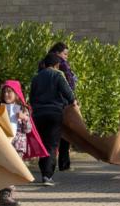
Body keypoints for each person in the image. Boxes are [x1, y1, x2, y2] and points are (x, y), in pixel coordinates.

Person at [0, 80, 46, 206]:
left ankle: (6, 196)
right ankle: (5, 197)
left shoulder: (23, 109)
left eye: (9, 91)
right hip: (3, 145)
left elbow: (28, 129)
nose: (6, 94)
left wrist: (24, 119)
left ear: (16, 94)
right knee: (5, 170)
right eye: (4, 91)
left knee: (12, 171)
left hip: (18, 147)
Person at [29, 51, 75, 187]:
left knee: (42, 143)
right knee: (52, 145)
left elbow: (31, 97)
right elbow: (69, 94)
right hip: (54, 113)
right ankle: (47, 175)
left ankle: (44, 171)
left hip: (38, 114)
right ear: (56, 64)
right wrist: (73, 103)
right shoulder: (57, 75)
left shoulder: (36, 78)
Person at [40, 42, 76, 171]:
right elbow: (67, 86)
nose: (66, 57)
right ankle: (62, 164)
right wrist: (73, 101)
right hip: (59, 105)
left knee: (46, 138)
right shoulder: (61, 67)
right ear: (57, 53)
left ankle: (45, 166)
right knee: (63, 136)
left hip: (41, 106)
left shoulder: (41, 68)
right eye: (65, 53)